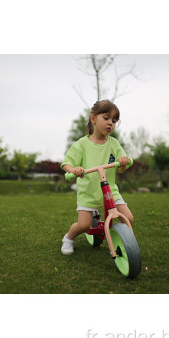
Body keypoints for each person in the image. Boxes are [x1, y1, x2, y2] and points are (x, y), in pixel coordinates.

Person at [61, 100, 134, 255]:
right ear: (93, 119)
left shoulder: (113, 143)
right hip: (88, 192)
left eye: (114, 121)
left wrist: (122, 162)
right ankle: (68, 238)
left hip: (109, 191)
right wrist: (75, 169)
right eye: (106, 118)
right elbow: (67, 164)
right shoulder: (82, 144)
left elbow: (121, 169)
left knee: (128, 218)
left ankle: (120, 240)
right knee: (84, 225)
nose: (110, 124)